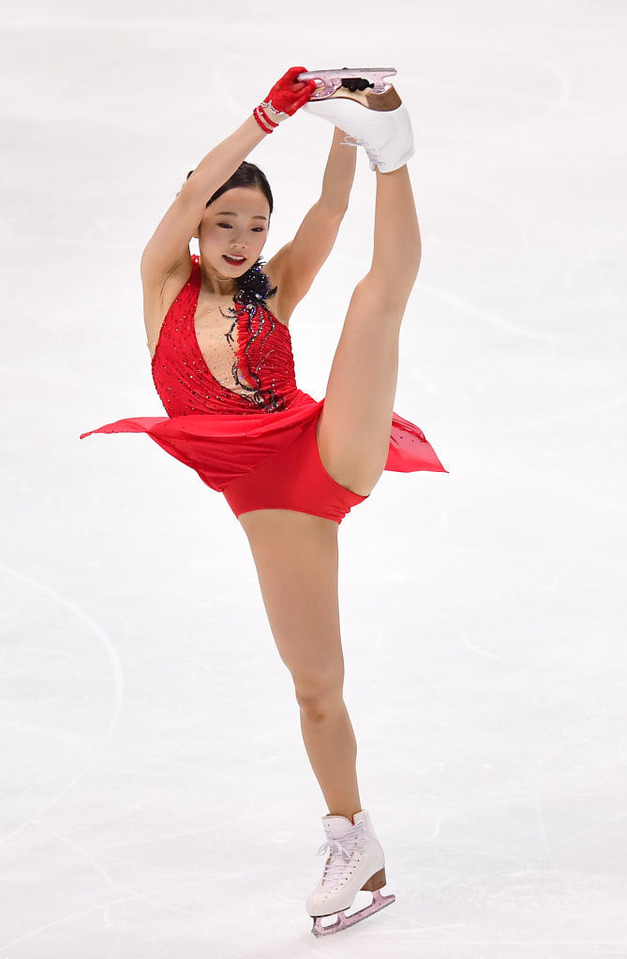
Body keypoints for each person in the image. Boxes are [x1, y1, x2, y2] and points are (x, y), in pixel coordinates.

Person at [81, 66, 446, 936]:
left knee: (374, 301)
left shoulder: (271, 292)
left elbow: (325, 216)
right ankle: (350, 835)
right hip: (267, 494)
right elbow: (192, 187)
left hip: (323, 444)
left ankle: (395, 150)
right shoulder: (163, 284)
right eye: (224, 222)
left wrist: (345, 132)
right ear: (197, 229)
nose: (242, 238)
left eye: (255, 224)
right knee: (316, 685)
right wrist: (268, 115)